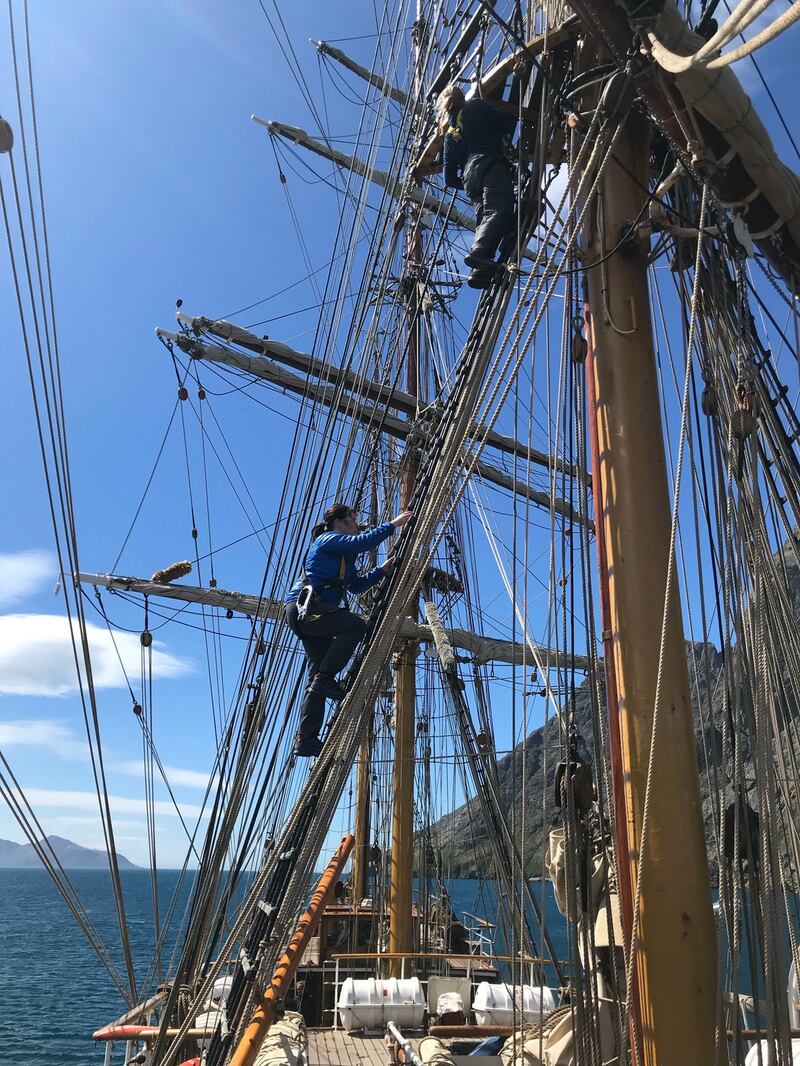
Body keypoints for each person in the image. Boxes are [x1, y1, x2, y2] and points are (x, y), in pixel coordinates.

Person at [285, 502, 414, 757]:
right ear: (338, 523)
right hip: (307, 609)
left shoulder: (345, 557)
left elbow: (355, 586)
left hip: (315, 614)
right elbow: (360, 543)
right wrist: (394, 524)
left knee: (317, 677)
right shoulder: (327, 540)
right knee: (355, 625)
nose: (356, 526)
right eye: (352, 521)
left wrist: (380, 571)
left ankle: (306, 738)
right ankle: (325, 681)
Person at [438, 84, 517, 288]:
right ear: (462, 96)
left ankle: (480, 270)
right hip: (488, 163)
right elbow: (507, 125)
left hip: (469, 179)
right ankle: (479, 252)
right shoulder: (475, 106)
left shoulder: (449, 133)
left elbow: (448, 178)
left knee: (485, 219)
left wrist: (466, 183)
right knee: (499, 211)